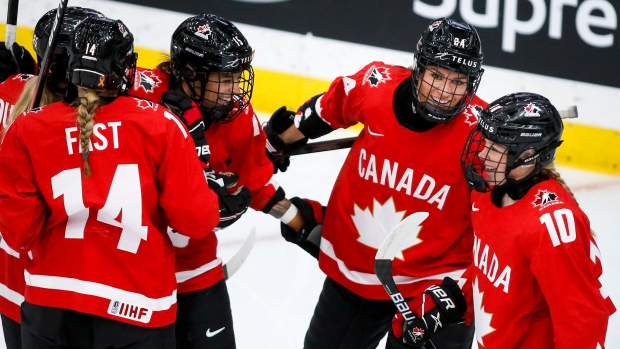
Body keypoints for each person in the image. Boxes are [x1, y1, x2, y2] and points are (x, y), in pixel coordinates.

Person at [263, 18, 486, 348]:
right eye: (436, 75)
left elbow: (498, 226)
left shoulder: (481, 137)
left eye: (457, 81)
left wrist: (458, 294)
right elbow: (325, 110)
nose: (442, 92)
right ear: (418, 69)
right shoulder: (376, 85)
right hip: (360, 268)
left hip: (436, 284)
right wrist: (276, 142)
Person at [0, 16, 220, 349]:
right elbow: (196, 221)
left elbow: (18, 233)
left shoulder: (28, 128)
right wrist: (211, 193)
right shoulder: (160, 124)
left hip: (50, 304)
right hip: (137, 310)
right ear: (126, 69)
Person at [131, 13, 298, 349]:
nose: (234, 91)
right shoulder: (136, 98)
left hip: (195, 267)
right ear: (190, 74)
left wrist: (295, 218)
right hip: (132, 271)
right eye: (224, 79)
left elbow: (251, 183)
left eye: (237, 78)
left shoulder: (238, 116)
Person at [456, 92, 616, 348]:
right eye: (485, 141)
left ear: (528, 156)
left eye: (496, 148)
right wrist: (454, 298)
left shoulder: (549, 225)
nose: (484, 153)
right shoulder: (487, 189)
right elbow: (495, 267)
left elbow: (581, 318)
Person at [0, 7, 103, 349]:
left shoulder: (12, 94)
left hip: (14, 283)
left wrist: (14, 78)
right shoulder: (93, 124)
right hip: (72, 286)